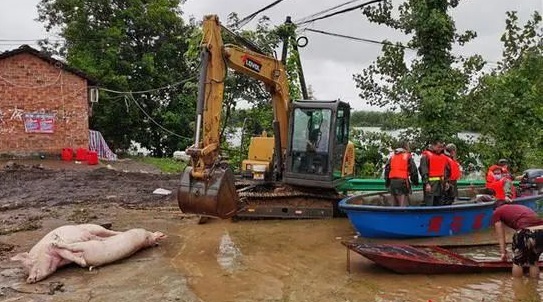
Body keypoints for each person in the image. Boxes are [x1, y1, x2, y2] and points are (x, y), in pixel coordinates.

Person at [492, 202, 543, 278]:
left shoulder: (497, 211)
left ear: (495, 209)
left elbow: (501, 236)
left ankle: (517, 288)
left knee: (518, 263)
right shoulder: (520, 207)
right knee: (534, 262)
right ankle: (533, 288)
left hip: (526, 231)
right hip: (541, 232)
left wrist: (503, 253)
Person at [384, 141, 419, 207]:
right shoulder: (407, 156)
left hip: (392, 182)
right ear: (406, 147)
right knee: (403, 204)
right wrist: (415, 182)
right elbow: (413, 171)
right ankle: (403, 215)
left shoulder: (393, 157)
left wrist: (387, 183)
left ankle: (393, 216)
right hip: (402, 182)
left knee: (393, 203)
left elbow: (387, 170)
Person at [418, 140, 450, 206]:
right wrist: (427, 183)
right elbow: (423, 170)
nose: (440, 149)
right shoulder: (426, 156)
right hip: (431, 185)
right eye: (438, 147)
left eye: (441, 147)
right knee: (429, 203)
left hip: (441, 184)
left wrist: (446, 182)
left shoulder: (442, 156)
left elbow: (445, 170)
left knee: (440, 203)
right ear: (433, 146)